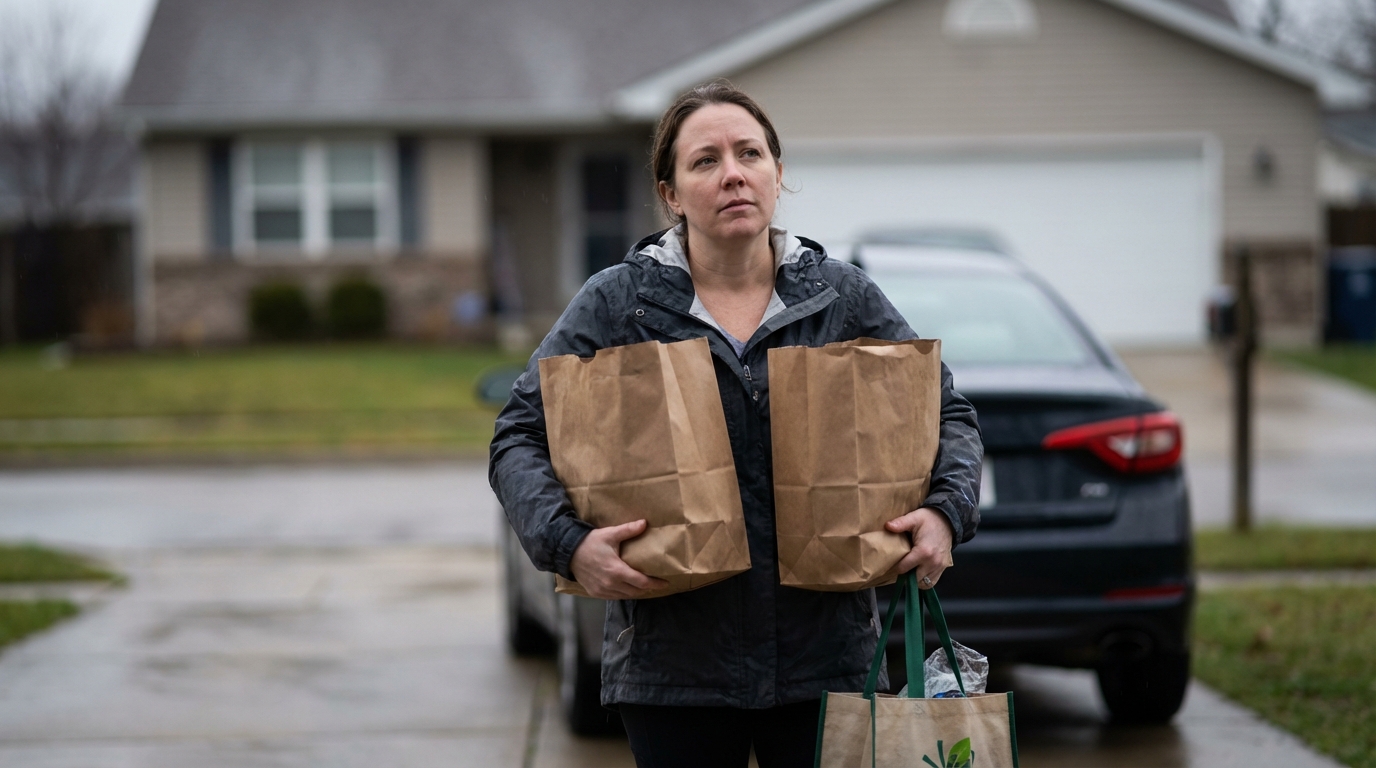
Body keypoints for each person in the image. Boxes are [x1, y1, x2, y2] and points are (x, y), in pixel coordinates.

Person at [489, 80, 983, 768]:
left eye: (750, 153)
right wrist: (567, 545)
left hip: (828, 664)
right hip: (673, 672)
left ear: (778, 175)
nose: (733, 174)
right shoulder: (618, 304)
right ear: (670, 192)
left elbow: (947, 414)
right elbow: (518, 432)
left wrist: (944, 513)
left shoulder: (842, 299)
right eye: (705, 160)